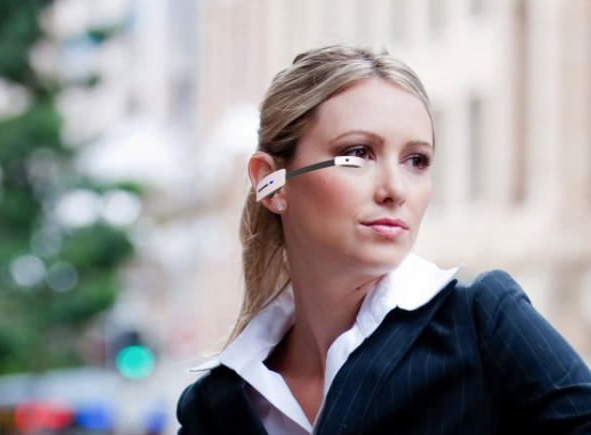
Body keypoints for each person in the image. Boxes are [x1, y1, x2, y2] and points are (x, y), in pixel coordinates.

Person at [176, 44, 591, 434]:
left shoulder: (484, 323)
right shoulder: (214, 407)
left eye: (417, 160)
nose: (395, 189)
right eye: (358, 153)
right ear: (272, 182)